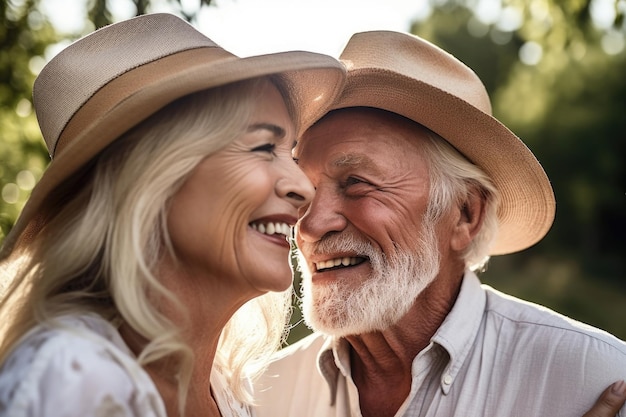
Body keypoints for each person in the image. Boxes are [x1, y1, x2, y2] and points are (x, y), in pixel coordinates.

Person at [253, 30, 626, 417]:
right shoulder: (260, 399)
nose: (309, 227)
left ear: (466, 214)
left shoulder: (592, 378)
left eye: (357, 184)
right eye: (302, 192)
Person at [0, 13, 345, 417]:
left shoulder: (227, 394)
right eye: (263, 148)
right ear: (151, 179)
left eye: (292, 154)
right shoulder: (74, 378)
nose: (304, 189)